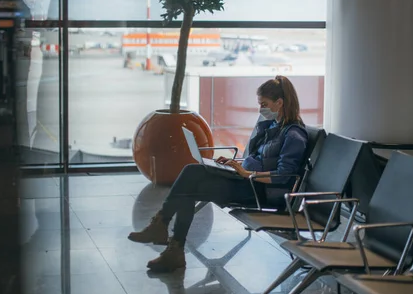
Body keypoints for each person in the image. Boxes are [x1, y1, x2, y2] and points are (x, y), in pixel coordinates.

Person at [128, 75, 309, 272]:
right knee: (192, 172)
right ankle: (169, 240)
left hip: (261, 191)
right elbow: (260, 160)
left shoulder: (294, 135)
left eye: (264, 104)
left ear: (280, 102)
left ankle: (167, 237)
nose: (260, 110)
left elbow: (285, 176)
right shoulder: (273, 127)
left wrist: (247, 173)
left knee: (191, 182)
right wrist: (235, 165)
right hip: (248, 180)